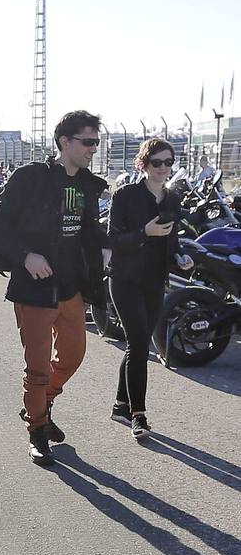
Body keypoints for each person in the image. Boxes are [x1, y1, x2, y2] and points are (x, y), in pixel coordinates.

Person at [0, 110, 110, 465]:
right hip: (34, 290)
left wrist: (109, 246)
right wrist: (25, 256)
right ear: (64, 142)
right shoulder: (30, 178)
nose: (93, 149)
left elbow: (88, 229)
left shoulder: (86, 184)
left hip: (71, 288)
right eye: (87, 142)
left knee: (72, 356)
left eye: (96, 142)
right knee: (37, 368)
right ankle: (37, 430)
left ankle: (42, 402)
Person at [106, 138, 194, 439]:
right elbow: (113, 240)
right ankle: (138, 414)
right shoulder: (125, 196)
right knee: (140, 346)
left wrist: (179, 256)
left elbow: (172, 240)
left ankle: (120, 403)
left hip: (155, 280)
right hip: (125, 279)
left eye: (169, 162)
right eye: (157, 162)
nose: (164, 168)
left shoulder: (171, 198)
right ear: (144, 164)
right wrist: (144, 232)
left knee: (137, 343)